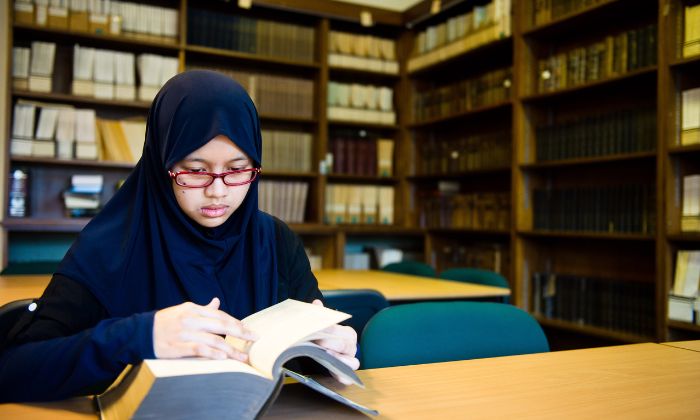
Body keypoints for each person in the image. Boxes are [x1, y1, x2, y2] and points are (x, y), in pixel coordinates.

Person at [0, 70, 358, 402]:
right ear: (163, 164)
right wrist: (142, 335)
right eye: (195, 170)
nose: (218, 192)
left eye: (237, 170)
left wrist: (331, 352)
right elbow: (13, 368)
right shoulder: (110, 248)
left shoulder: (276, 241)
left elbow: (305, 359)